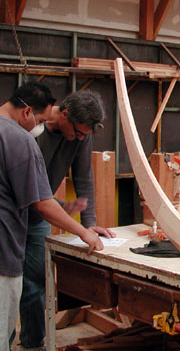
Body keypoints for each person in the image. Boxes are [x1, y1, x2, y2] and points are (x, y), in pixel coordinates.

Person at [0, 82, 103, 351]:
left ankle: (33, 343)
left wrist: (89, 223)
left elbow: (83, 178)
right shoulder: (27, 131)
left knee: (36, 281)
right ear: (65, 114)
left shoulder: (81, 135)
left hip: (39, 215)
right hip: (14, 213)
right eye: (79, 133)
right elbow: (37, 198)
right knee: (8, 285)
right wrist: (71, 221)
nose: (81, 139)